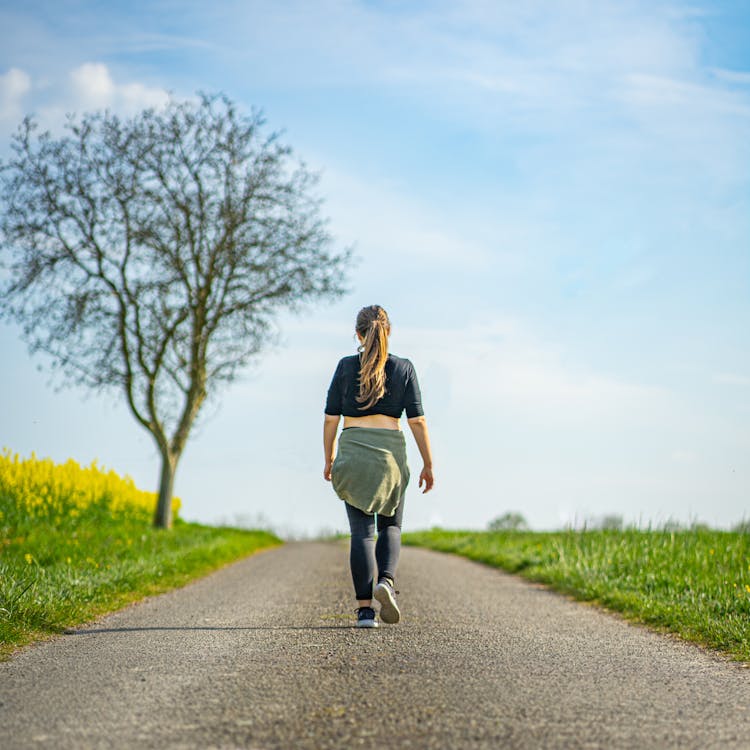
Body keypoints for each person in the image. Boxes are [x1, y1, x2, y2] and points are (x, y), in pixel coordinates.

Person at [323, 305, 434, 628]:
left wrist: (328, 457)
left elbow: (331, 419)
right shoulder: (404, 368)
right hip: (390, 457)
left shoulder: (345, 367)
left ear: (358, 334)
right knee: (391, 527)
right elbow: (418, 420)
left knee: (361, 532)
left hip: (353, 452)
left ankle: (365, 612)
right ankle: (386, 580)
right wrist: (428, 463)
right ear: (389, 332)